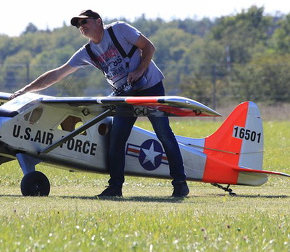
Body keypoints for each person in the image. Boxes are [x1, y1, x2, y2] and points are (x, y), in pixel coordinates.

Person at [10, 10, 190, 198]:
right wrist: (24, 91)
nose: (82, 27)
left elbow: (149, 47)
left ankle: (180, 183)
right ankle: (115, 188)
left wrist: (139, 70)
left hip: (149, 87)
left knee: (164, 134)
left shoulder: (119, 29)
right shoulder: (87, 52)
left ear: (98, 21)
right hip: (124, 96)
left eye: (85, 22)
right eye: (78, 25)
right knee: (116, 139)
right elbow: (57, 74)